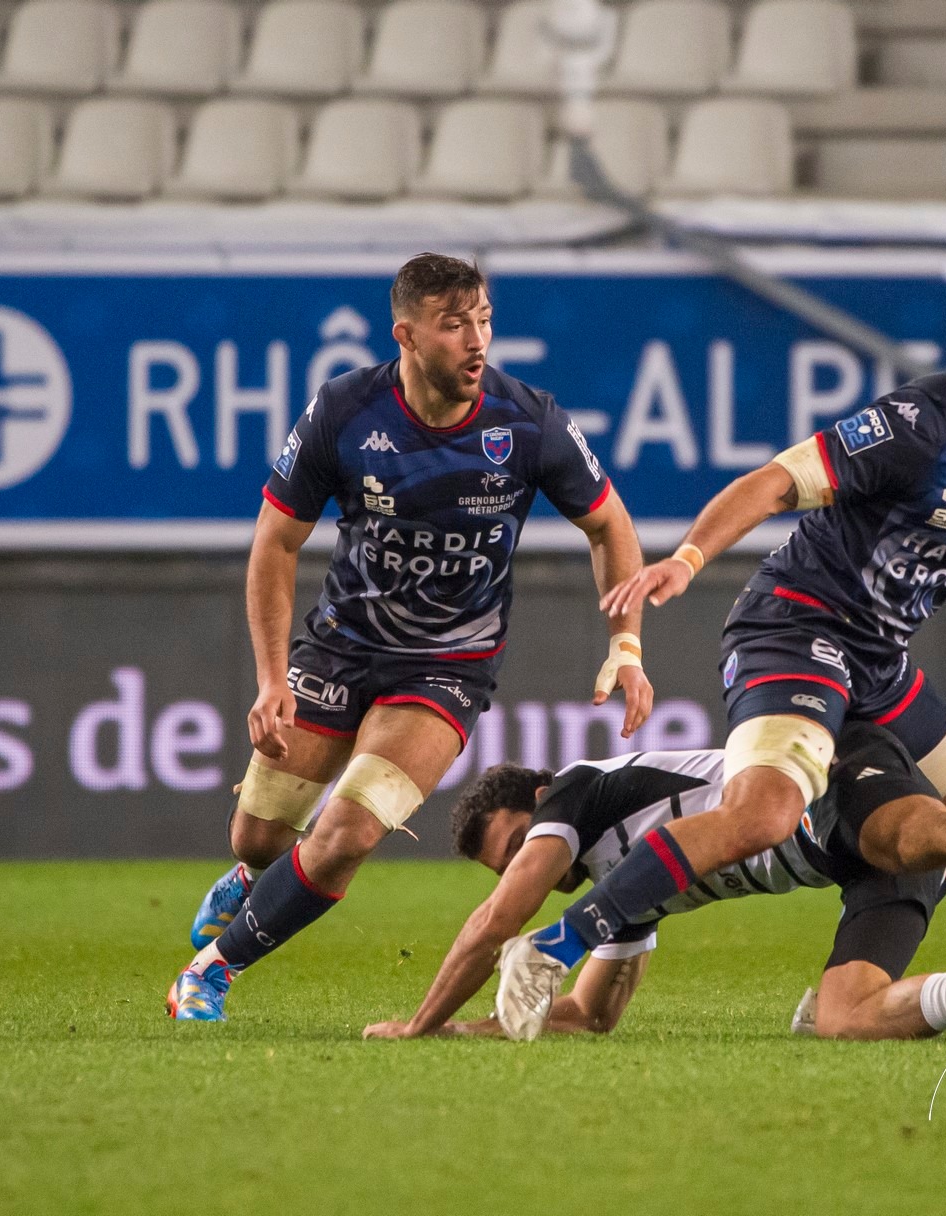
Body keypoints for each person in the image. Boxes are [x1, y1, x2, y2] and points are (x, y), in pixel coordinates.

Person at [497, 281, 946, 1035]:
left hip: (877, 659)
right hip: (796, 626)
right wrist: (689, 557)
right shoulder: (921, 422)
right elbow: (777, 481)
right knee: (763, 815)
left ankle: (851, 995)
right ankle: (555, 945)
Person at [168, 253, 654, 1021]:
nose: (477, 339)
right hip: (340, 648)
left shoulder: (527, 422)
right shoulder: (345, 411)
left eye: (485, 320)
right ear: (406, 334)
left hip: (446, 668)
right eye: (454, 323)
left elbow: (610, 525)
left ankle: (209, 972)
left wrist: (625, 645)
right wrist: (269, 680)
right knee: (262, 840)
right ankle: (249, 877)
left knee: (348, 832)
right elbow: (275, 545)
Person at [364, 722, 946, 1045]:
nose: (526, 874)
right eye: (508, 865)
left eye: (518, 848)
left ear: (541, 800)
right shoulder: (621, 895)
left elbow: (496, 922)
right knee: (845, 1018)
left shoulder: (578, 791)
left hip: (834, 784)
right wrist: (469, 1029)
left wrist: (419, 1026)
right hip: (850, 864)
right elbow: (592, 1015)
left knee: (925, 828)